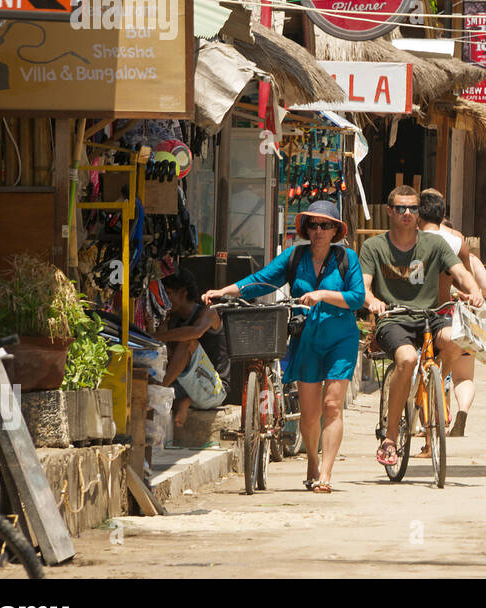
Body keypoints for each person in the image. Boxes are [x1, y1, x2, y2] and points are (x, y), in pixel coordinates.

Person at [203, 200, 365, 493]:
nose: (318, 230)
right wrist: (223, 291)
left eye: (325, 225)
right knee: (310, 411)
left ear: (335, 230)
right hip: (306, 340)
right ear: (305, 228)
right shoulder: (294, 257)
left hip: (341, 339)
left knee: (332, 406)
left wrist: (323, 295)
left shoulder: (347, 258)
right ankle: (312, 460)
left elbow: (356, 298)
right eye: (313, 225)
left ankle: (326, 474)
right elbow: (260, 281)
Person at [360, 186, 485, 467]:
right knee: (406, 359)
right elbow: (364, 286)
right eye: (401, 208)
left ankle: (436, 381)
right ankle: (390, 437)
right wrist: (373, 302)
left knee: (455, 338)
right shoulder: (374, 247)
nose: (407, 213)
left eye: (413, 208)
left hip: (430, 315)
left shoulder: (434, 244)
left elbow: (461, 272)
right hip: (394, 318)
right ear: (390, 211)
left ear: (420, 212)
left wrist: (474, 290)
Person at [417, 188, 486, 437]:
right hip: (451, 312)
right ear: (443, 212)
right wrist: (470, 294)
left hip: (419, 314)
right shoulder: (457, 240)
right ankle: (461, 411)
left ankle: (427, 420)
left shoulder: (407, 237)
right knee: (462, 375)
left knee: (423, 369)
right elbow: (465, 279)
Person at [155, 273, 227, 430]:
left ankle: (157, 392)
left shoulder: (209, 312)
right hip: (182, 387)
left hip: (214, 390)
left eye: (168, 294)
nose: (165, 300)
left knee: (187, 342)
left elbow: (196, 332)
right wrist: (161, 326)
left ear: (183, 292)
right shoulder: (172, 320)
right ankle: (185, 400)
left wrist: (156, 336)